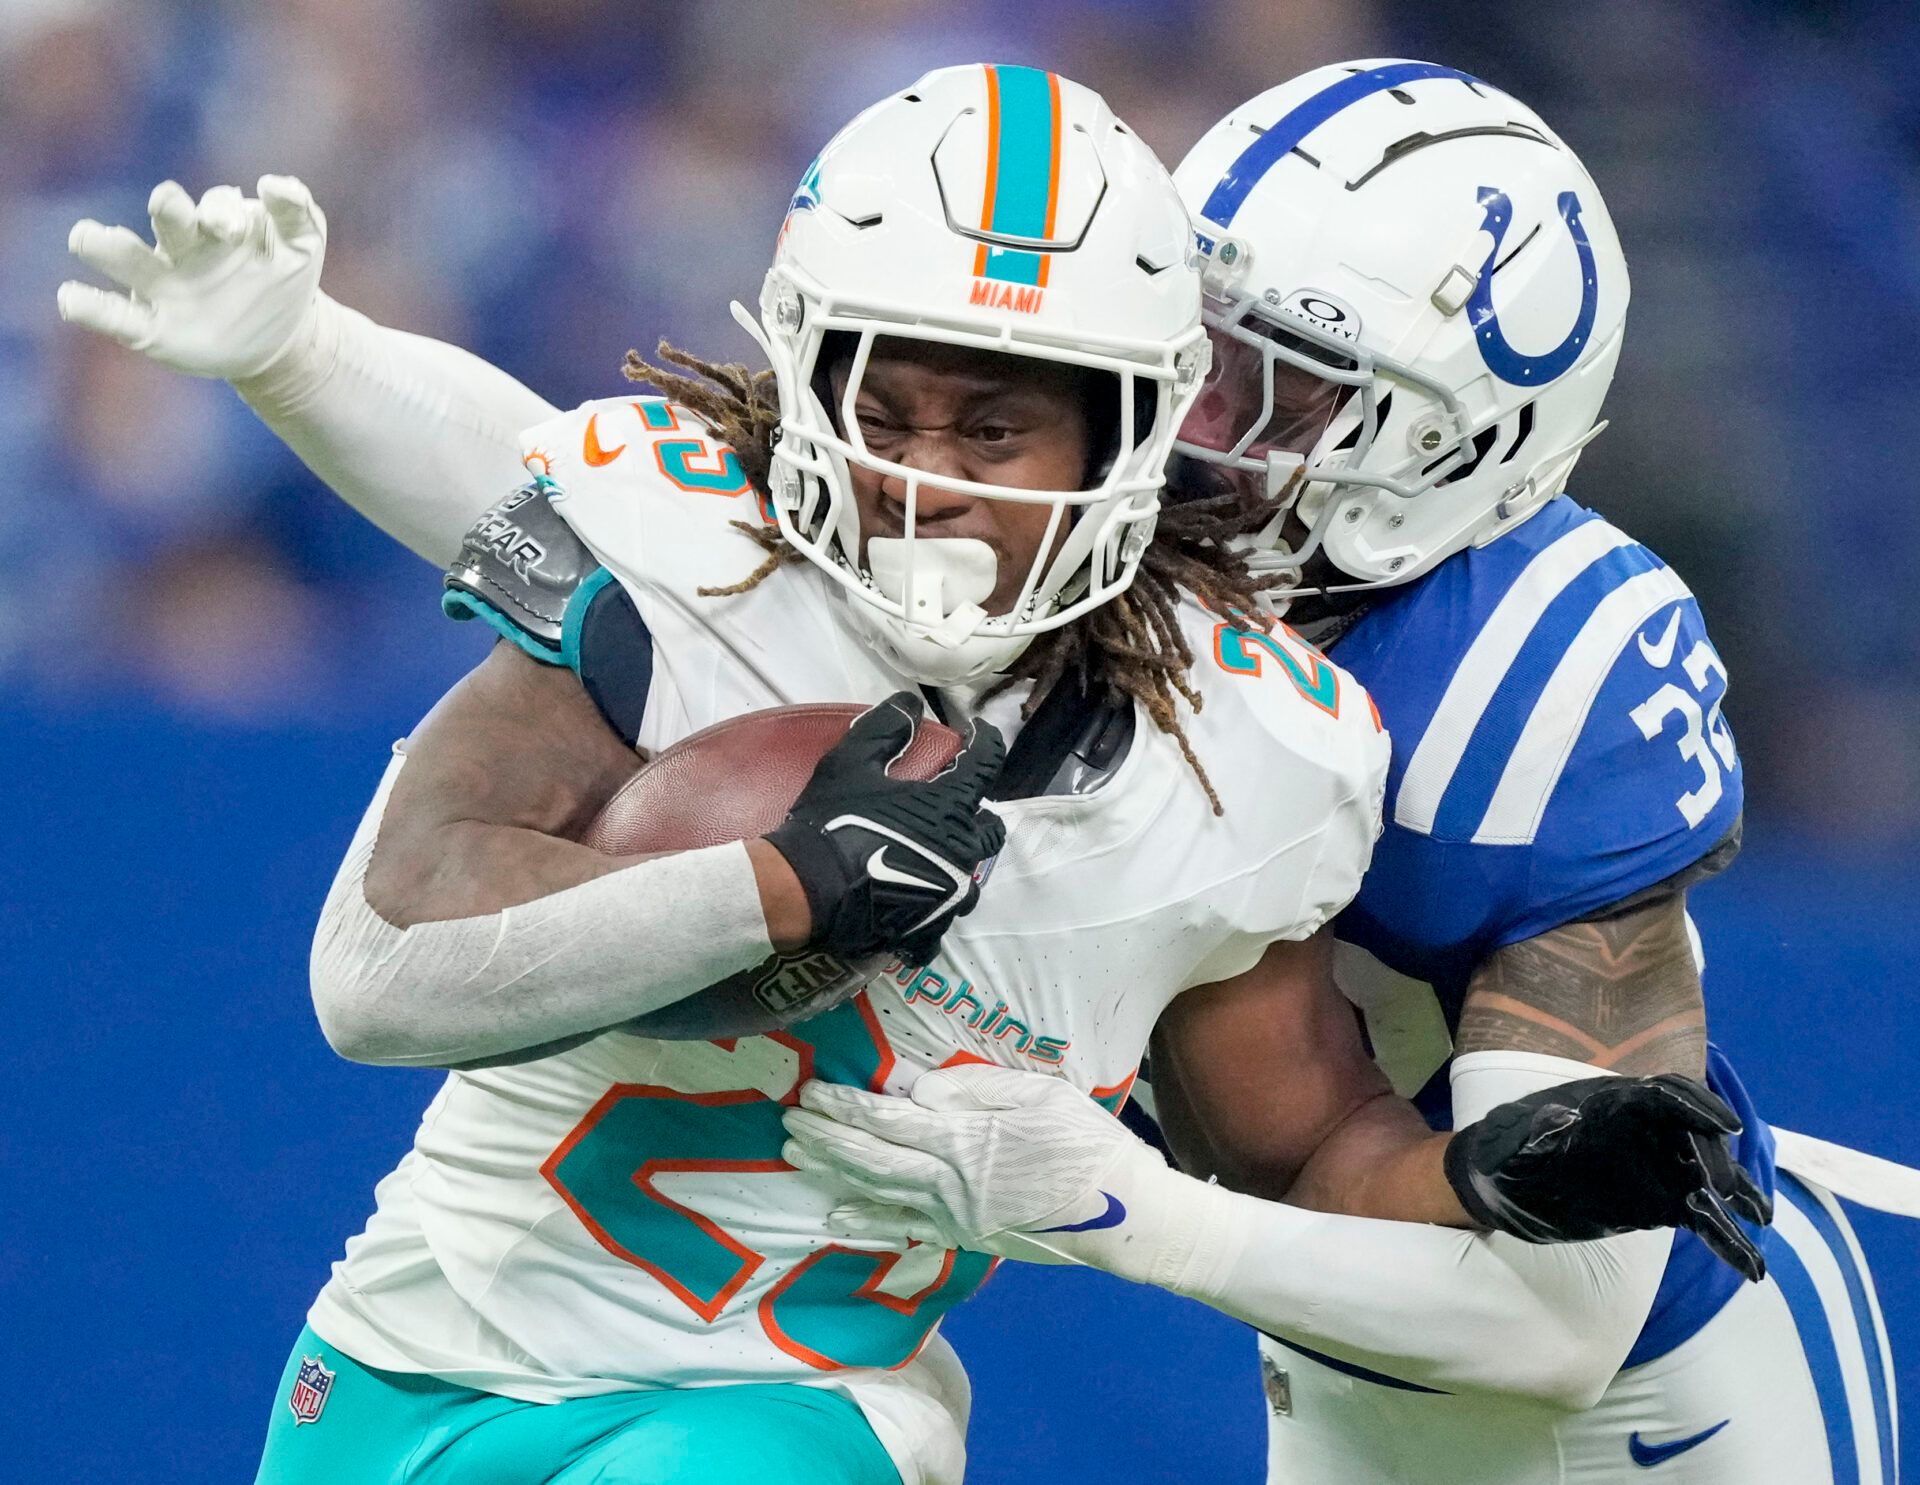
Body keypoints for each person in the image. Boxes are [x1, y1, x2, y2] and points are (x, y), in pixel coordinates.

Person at [59, 63, 1769, 1485]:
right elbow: (375, 974)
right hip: (416, 1351)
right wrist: (777, 886)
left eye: (998, 430)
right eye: (890, 408)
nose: (923, 481)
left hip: (788, 1410)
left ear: (1121, 426)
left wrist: (1481, 1175)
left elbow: (1308, 1136)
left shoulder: (1258, 756)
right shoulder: (683, 559)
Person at [780, 59, 1905, 1485]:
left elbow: (1556, 1320)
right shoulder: (1070, 549)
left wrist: (1120, 1203)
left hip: (1642, 1413)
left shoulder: (1532, 687)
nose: (1191, 419)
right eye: (1197, 344)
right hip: (1336, 1376)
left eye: (1276, 389)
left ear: (1451, 444)